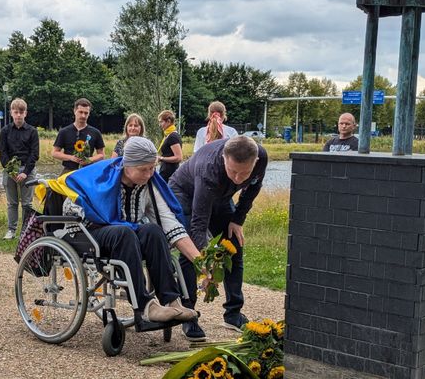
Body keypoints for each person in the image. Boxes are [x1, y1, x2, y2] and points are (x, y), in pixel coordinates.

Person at [50, 136, 201, 324]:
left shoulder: (149, 184)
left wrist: (200, 261)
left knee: (153, 231)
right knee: (124, 232)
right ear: (126, 165)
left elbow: (169, 223)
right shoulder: (101, 178)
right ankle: (145, 307)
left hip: (124, 235)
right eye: (143, 169)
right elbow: (71, 209)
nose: (149, 174)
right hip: (86, 233)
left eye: (152, 168)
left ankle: (172, 302)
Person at [169, 136, 267, 341]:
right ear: (224, 158)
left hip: (220, 196)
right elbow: (198, 224)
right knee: (190, 253)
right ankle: (188, 314)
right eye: (233, 171)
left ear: (255, 162)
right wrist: (206, 263)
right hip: (184, 193)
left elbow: (252, 190)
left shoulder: (261, 157)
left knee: (233, 244)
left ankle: (233, 314)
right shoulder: (209, 169)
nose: (238, 179)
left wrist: (237, 220)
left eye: (245, 173)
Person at [0, 98, 39, 240]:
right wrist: (11, 171)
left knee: (27, 203)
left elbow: (34, 154)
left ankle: (25, 231)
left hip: (27, 169)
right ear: (11, 113)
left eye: (21, 112)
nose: (18, 115)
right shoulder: (4, 131)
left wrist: (25, 173)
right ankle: (11, 230)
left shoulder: (32, 131)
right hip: (10, 170)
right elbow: (2, 153)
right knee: (12, 203)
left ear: (25, 113)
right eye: (16, 112)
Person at [52, 98, 105, 174]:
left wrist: (89, 160)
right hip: (68, 171)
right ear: (74, 111)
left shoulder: (95, 132)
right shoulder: (64, 131)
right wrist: (71, 158)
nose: (83, 116)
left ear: (89, 113)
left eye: (86, 113)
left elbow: (101, 155)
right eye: (80, 112)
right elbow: (55, 153)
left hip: (88, 171)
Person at [157, 110, 183, 182]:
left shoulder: (173, 136)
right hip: (165, 171)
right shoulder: (168, 135)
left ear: (168, 121)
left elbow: (179, 157)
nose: (160, 125)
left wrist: (161, 158)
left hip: (169, 173)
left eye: (161, 122)